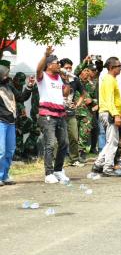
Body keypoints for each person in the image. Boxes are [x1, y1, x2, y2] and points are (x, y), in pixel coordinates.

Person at [36, 47, 71, 184]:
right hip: (47, 115)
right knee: (50, 143)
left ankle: (58, 170)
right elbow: (38, 69)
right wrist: (45, 55)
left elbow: (65, 94)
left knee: (64, 143)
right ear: (49, 65)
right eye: (57, 63)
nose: (60, 65)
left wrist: (67, 80)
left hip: (60, 114)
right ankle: (48, 173)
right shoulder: (43, 76)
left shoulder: (59, 78)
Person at [0, 61, 34, 185]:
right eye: (5, 74)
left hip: (11, 122)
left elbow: (21, 97)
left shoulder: (9, 86)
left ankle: (5, 175)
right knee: (1, 151)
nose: (7, 77)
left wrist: (29, 86)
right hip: (1, 123)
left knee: (10, 151)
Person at [91, 57, 121, 177]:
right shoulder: (109, 80)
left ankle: (98, 164)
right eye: (118, 66)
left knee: (111, 141)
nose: (120, 68)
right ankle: (108, 168)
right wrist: (116, 115)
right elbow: (110, 100)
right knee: (113, 142)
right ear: (111, 68)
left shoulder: (109, 79)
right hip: (109, 113)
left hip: (106, 112)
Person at [60, 58, 85, 168]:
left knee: (74, 137)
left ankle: (74, 159)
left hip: (71, 112)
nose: (69, 69)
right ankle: (58, 160)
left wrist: (78, 104)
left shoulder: (75, 79)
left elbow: (83, 93)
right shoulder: (56, 79)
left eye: (70, 67)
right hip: (58, 113)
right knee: (60, 138)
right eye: (66, 68)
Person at [76, 65, 98, 161]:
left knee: (84, 133)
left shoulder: (92, 85)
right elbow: (76, 70)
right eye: (85, 70)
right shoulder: (75, 81)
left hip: (87, 113)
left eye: (88, 71)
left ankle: (82, 152)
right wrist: (85, 61)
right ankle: (72, 152)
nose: (86, 72)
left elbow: (99, 99)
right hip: (74, 112)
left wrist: (92, 101)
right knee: (73, 133)